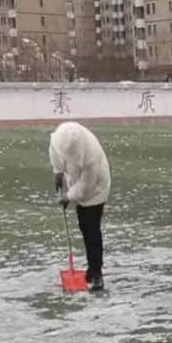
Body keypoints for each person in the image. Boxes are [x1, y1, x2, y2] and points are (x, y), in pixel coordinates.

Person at [48, 121, 111, 292]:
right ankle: (92, 270)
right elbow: (55, 154)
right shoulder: (60, 138)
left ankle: (97, 274)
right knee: (84, 227)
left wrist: (67, 197)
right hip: (76, 181)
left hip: (96, 189)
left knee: (91, 229)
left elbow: (84, 188)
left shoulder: (92, 155)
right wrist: (58, 173)